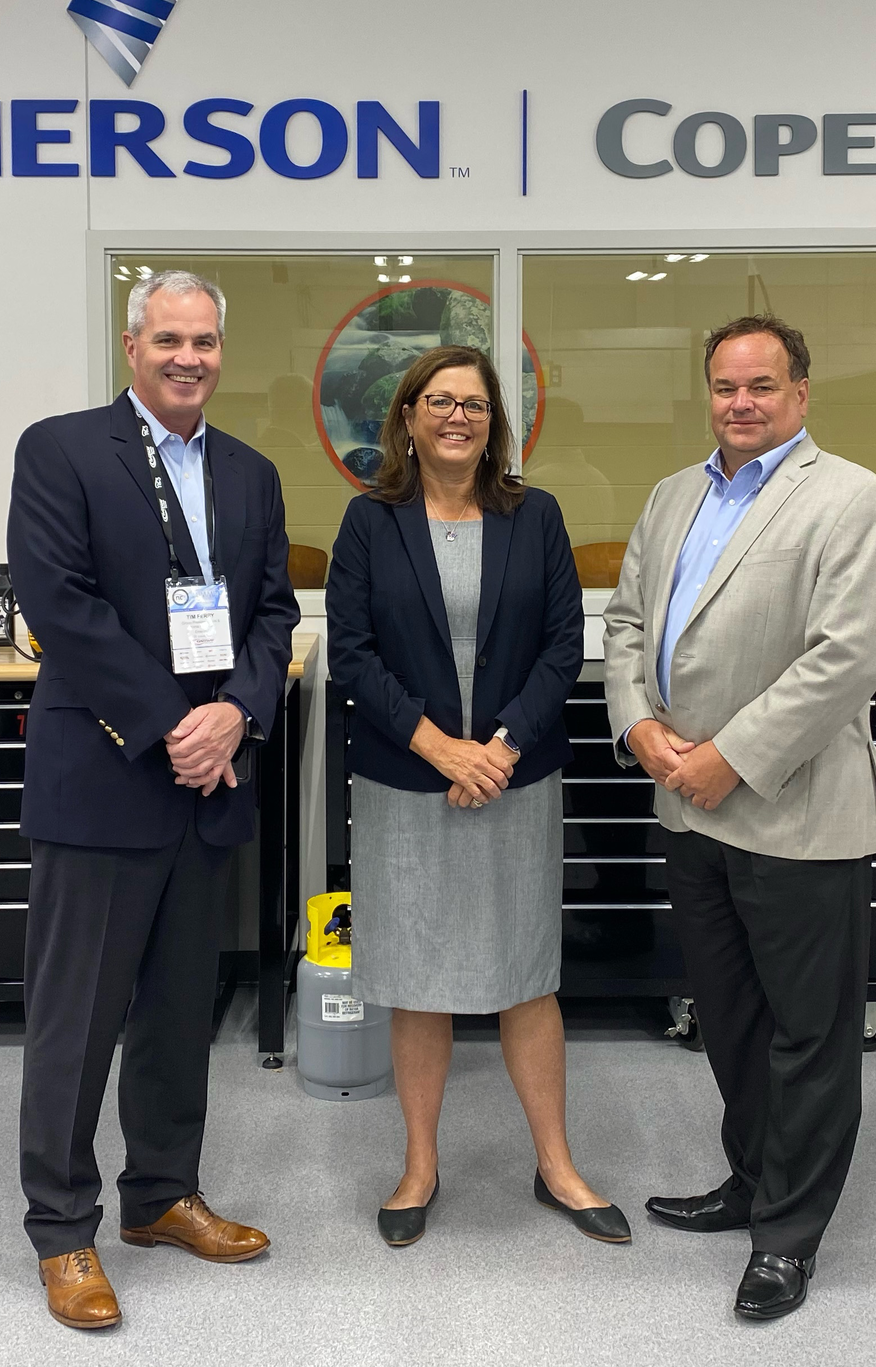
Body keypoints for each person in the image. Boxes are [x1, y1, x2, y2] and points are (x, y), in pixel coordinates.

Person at [6, 270, 300, 1330]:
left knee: (182, 1011)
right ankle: (62, 1229)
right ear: (132, 347)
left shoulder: (252, 474)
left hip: (209, 784)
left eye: (206, 341)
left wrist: (236, 716)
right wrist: (173, 724)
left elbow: (273, 610)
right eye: (169, 338)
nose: (189, 357)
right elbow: (60, 605)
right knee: (76, 1021)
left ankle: (162, 1195)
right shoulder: (62, 449)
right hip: (107, 778)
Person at [602, 314, 876, 1322]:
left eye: (762, 387)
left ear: (801, 393)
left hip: (793, 811)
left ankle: (787, 1238)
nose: (741, 404)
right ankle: (751, 1178)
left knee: (807, 1036)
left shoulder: (856, 499)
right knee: (730, 1024)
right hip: (687, 809)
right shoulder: (672, 496)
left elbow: (847, 657)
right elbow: (629, 624)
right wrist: (641, 729)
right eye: (726, 387)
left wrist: (730, 758)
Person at [326, 344, 628, 1248]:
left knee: (526, 975)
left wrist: (494, 751)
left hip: (513, 777)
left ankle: (557, 1165)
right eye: (441, 401)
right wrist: (441, 748)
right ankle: (419, 1166)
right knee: (417, 979)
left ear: (495, 424)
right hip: (407, 779)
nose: (459, 417)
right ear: (409, 418)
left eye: (477, 405)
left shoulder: (534, 517)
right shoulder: (369, 522)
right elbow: (352, 652)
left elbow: (563, 644)